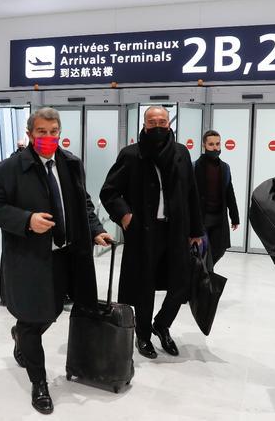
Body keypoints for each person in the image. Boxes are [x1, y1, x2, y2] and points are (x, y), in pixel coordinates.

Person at [0, 107, 112, 414]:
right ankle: (39, 382)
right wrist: (27, 220)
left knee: (54, 310)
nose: (47, 137)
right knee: (33, 317)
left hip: (67, 254)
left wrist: (95, 230)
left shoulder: (70, 163)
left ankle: (21, 334)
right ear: (30, 134)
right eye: (41, 132)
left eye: (53, 131)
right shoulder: (9, 168)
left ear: (59, 132)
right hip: (30, 258)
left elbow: (82, 201)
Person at [100, 106, 203, 359]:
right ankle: (143, 334)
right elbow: (109, 191)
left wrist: (196, 230)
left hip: (176, 230)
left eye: (162, 121)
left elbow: (191, 193)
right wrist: (125, 216)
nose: (158, 125)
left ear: (169, 124)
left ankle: (162, 324)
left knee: (180, 283)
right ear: (144, 125)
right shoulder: (132, 155)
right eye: (152, 121)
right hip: (144, 232)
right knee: (144, 286)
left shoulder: (181, 153)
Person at [193, 130, 240, 266]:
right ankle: (207, 283)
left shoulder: (225, 168)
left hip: (219, 218)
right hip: (201, 218)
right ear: (204, 145)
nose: (215, 147)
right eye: (211, 144)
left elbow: (229, 192)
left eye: (218, 144)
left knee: (219, 249)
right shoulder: (194, 167)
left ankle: (205, 277)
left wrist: (234, 216)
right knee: (203, 251)